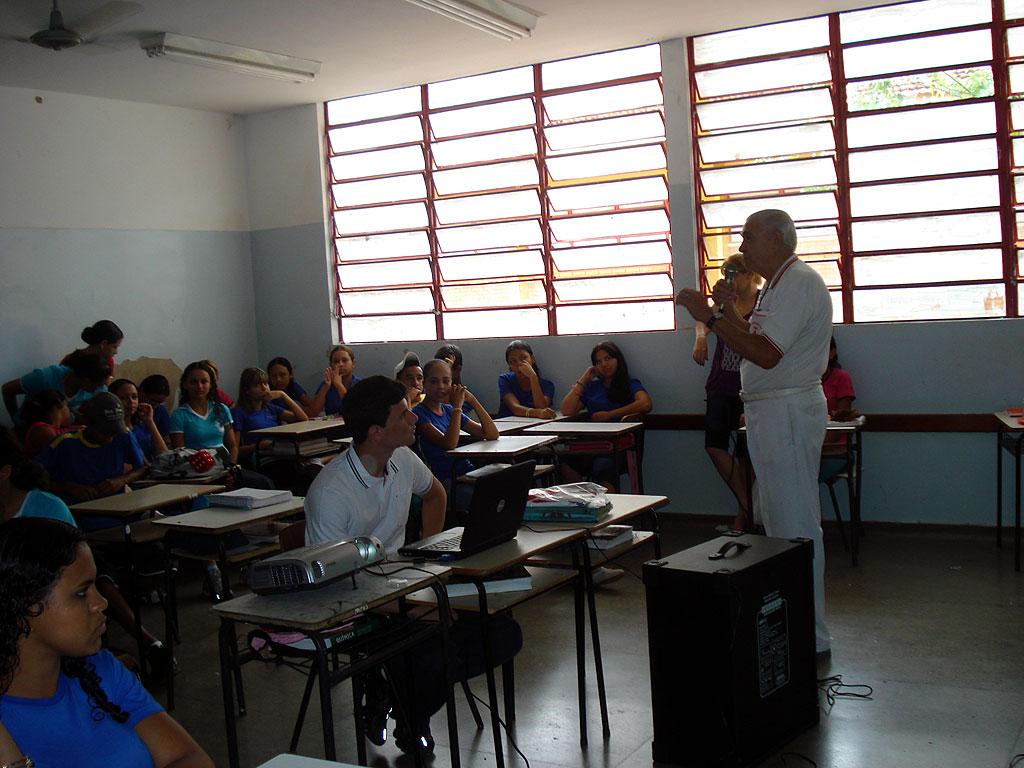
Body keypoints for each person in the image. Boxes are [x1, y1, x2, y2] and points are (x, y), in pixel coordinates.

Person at [304, 376, 519, 754]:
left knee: (504, 633)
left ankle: (395, 697)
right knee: (435, 647)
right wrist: (409, 606)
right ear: (376, 432)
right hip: (356, 604)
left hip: (404, 583)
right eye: (404, 414)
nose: (414, 419)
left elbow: (435, 495)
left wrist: (425, 551)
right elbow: (333, 585)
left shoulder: (401, 458)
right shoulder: (331, 492)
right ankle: (410, 715)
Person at [675, 208, 833, 659]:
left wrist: (710, 317)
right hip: (772, 410)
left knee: (795, 523)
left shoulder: (799, 282)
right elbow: (752, 336)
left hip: (787, 411)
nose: (741, 247)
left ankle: (811, 637)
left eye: (748, 237)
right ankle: (798, 627)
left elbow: (765, 354)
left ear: (776, 239)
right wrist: (725, 310)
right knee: (778, 520)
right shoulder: (777, 286)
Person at [0, 518, 213, 768]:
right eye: (81, 593)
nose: (101, 603)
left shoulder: (98, 670)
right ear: (25, 605)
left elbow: (189, 758)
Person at [0, 429, 172, 678]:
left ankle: (143, 645)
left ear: (4, 472)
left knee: (96, 581)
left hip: (55, 589)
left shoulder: (46, 507)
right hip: (23, 606)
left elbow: (69, 570)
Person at [691, 253, 763, 531]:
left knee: (748, 454)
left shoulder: (762, 302)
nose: (729, 280)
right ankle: (749, 506)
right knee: (714, 445)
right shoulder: (722, 302)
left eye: (734, 274)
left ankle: (742, 519)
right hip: (721, 384)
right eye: (725, 274)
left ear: (750, 274)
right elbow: (703, 319)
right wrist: (700, 339)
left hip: (751, 386)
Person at [559, 340, 652, 491]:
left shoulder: (629, 383)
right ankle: (585, 501)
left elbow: (645, 404)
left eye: (608, 358)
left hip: (619, 448)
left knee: (603, 467)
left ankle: (607, 504)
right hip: (592, 445)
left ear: (618, 359)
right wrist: (584, 379)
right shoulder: (592, 387)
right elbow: (566, 410)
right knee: (565, 462)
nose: (604, 364)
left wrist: (610, 415)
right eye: (598, 362)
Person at [38, 392, 148, 506]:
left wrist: (121, 481)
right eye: (104, 432)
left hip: (115, 507)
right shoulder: (63, 443)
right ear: (87, 422)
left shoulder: (123, 435)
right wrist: (68, 487)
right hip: (75, 510)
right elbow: (34, 479)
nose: (110, 439)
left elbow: (143, 467)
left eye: (114, 433)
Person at [414, 359, 498, 493]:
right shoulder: (420, 413)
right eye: (434, 382)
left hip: (467, 472)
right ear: (424, 384)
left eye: (446, 381)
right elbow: (449, 444)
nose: (441, 386)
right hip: (447, 479)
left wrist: (472, 400)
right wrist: (457, 407)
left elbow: (491, 434)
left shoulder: (448, 410)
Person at [2, 351, 110, 425]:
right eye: (99, 385)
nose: (101, 388)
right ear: (87, 381)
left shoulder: (98, 390)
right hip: (27, 428)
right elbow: (7, 389)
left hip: (58, 432)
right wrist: (14, 418)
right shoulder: (45, 378)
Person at [232, 367, 308, 464]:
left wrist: (283, 396)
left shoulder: (270, 408)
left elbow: (303, 419)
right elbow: (235, 450)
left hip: (280, 451)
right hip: (260, 456)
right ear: (247, 390)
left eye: (266, 383)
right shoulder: (239, 412)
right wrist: (258, 446)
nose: (264, 388)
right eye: (257, 385)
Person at [168, 361, 239, 464]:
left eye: (204, 381)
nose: (199, 386)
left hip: (224, 465)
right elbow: (180, 453)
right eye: (193, 382)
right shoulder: (179, 415)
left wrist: (232, 467)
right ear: (185, 385)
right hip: (196, 468)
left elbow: (233, 446)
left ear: (210, 384)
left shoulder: (222, 409)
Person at [110, 379, 168, 460]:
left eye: (134, 397)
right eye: (123, 398)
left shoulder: (141, 426)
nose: (131, 401)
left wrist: (150, 421)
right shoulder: (111, 432)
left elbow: (164, 455)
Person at [497, 340, 556, 418]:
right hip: (507, 423)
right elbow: (515, 408)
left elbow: (543, 408)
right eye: (513, 361)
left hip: (535, 424)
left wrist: (533, 377)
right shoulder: (505, 379)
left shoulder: (547, 385)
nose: (519, 364)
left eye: (523, 358)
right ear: (509, 365)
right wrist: (537, 413)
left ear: (532, 359)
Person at [18, 389, 73, 458]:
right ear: (60, 404)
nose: (70, 413)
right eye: (68, 407)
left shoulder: (50, 428)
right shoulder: (44, 431)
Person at [308, 344, 358, 417]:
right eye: (336, 361)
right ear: (331, 365)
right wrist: (325, 388)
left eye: (344, 360)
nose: (340, 364)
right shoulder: (326, 384)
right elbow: (311, 413)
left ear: (353, 364)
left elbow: (354, 411)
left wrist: (339, 385)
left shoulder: (360, 384)